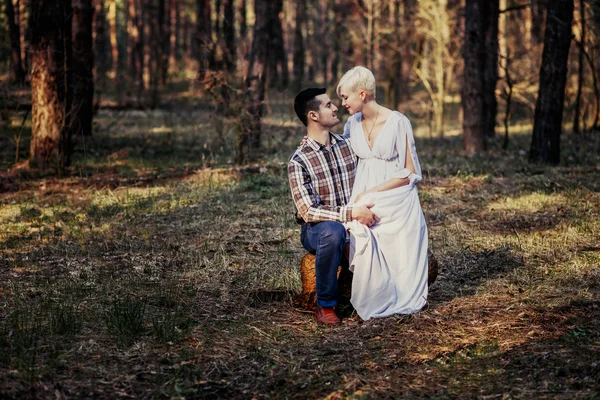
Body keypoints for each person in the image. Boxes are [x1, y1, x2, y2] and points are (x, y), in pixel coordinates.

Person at [337, 66, 429, 319]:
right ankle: (374, 291)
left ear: (363, 94)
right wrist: (312, 139)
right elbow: (339, 151)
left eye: (345, 97)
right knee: (356, 227)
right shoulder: (351, 124)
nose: (342, 102)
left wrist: (373, 191)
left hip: (394, 191)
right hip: (362, 193)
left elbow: (411, 172)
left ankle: (398, 290)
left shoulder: (398, 122)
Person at [288, 88, 379, 325]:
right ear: (313, 116)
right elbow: (308, 211)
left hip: (355, 220)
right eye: (328, 105)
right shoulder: (299, 161)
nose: (336, 107)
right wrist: (350, 214)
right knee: (333, 230)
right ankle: (326, 304)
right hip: (317, 229)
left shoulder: (348, 145)